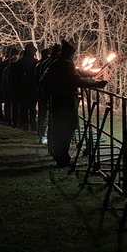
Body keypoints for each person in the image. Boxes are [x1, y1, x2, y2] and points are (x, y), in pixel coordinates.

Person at [45, 39, 107, 168]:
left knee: (60, 130)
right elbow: (76, 80)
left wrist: (91, 75)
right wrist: (96, 84)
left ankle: (60, 156)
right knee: (66, 130)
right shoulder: (66, 64)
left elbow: (76, 74)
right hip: (65, 102)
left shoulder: (56, 63)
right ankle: (62, 158)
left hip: (57, 101)